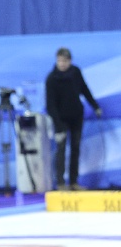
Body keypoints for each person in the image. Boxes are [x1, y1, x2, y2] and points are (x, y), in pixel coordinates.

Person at [45, 47, 102, 191]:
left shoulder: (76, 72)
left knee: (75, 149)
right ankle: (60, 183)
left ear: (70, 61)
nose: (62, 64)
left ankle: (73, 182)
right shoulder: (52, 79)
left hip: (76, 117)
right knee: (61, 150)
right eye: (59, 61)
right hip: (61, 120)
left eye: (64, 61)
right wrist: (58, 125)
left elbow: (84, 89)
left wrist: (95, 106)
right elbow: (50, 105)